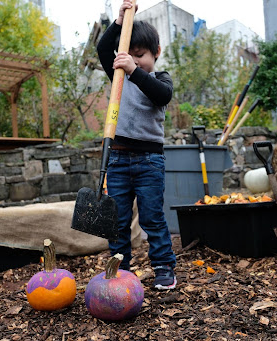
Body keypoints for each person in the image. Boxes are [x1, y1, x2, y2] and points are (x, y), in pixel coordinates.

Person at [97, 0, 176, 289]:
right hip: (117, 161)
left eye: (140, 55)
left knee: (152, 219)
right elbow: (103, 50)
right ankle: (119, 268)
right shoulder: (118, 77)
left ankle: (164, 266)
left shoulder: (158, 79)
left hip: (149, 162)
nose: (133, 60)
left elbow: (161, 96)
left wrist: (134, 70)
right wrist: (118, 22)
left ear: (156, 53)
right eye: (128, 55)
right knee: (117, 222)